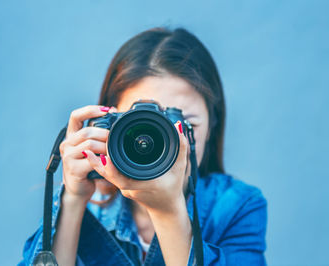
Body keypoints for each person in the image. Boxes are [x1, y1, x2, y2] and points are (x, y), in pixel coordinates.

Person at [19, 27, 267, 266]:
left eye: (183, 124)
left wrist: (168, 212)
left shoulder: (237, 206)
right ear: (108, 126)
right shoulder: (89, 206)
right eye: (141, 126)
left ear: (212, 126)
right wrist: (72, 199)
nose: (164, 141)